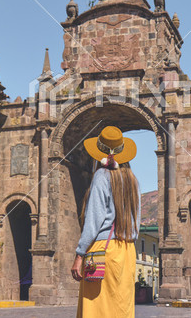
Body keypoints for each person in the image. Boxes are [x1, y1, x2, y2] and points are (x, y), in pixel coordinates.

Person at [71, 126, 141, 318]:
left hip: (103, 250)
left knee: (97, 310)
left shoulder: (102, 176)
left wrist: (79, 254)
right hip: (127, 252)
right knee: (121, 308)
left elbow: (94, 219)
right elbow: (136, 223)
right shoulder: (133, 181)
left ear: (100, 153)